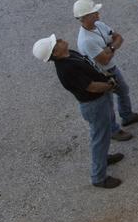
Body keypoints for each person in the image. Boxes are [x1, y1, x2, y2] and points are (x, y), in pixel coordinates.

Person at [33, 34, 125, 189]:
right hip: (94, 104)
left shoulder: (70, 54)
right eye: (57, 42)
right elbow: (91, 86)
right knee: (99, 138)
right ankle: (98, 177)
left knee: (102, 132)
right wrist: (110, 86)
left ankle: (103, 158)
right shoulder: (66, 68)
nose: (61, 39)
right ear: (55, 53)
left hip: (100, 99)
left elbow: (91, 67)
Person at [75, 0, 138, 136]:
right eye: (94, 13)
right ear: (85, 18)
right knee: (108, 103)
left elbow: (119, 37)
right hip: (103, 74)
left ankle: (127, 116)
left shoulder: (99, 25)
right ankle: (114, 130)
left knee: (123, 90)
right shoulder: (86, 40)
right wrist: (112, 47)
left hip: (110, 68)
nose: (98, 15)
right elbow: (105, 60)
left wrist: (110, 48)